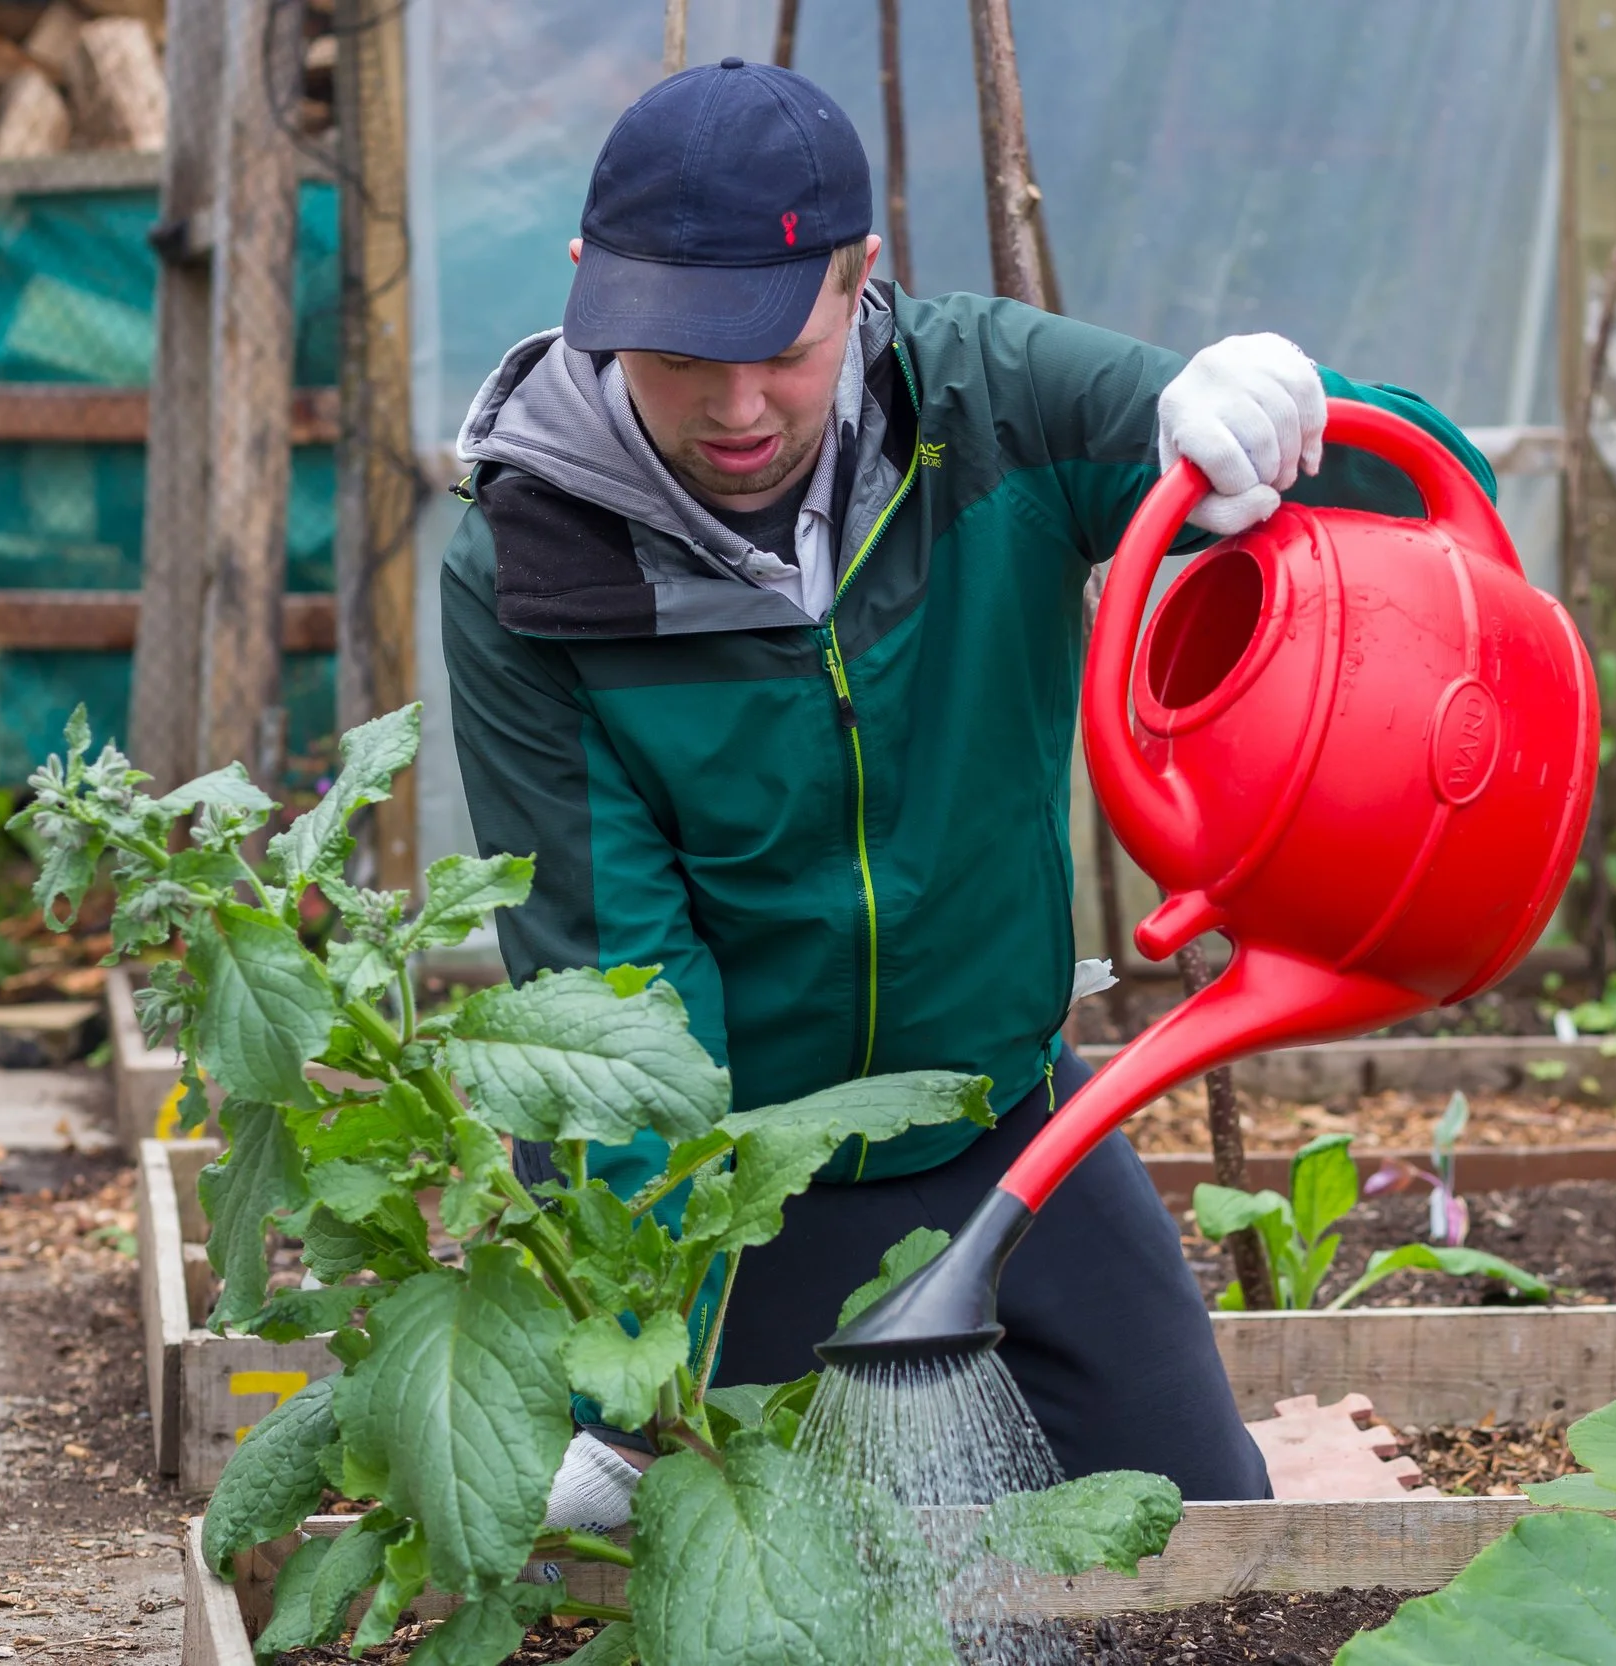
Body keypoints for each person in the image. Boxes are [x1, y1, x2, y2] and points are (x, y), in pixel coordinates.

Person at [442, 58, 1496, 1525]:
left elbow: (1428, 491)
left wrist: (1287, 405)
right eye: (683, 355)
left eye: (781, 349)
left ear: (859, 279)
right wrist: (636, 1378)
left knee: (1202, 1523)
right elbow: (619, 993)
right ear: (591, 287)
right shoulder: (530, 562)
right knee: (732, 1549)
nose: (737, 406)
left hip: (1006, 1126)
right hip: (746, 1170)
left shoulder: (993, 406)